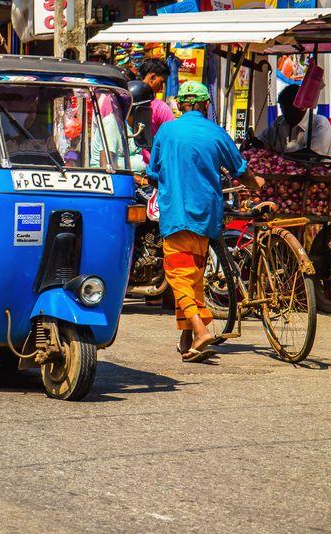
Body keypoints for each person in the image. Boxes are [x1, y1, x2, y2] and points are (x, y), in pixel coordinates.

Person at [146, 81, 264, 363]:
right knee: (193, 275)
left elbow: (152, 173)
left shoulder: (167, 130)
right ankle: (188, 341)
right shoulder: (215, 132)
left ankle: (200, 331)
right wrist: (257, 183)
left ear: (181, 105)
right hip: (206, 215)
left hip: (176, 214)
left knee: (178, 276)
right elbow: (241, 171)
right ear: (204, 105)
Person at [256, 84, 331, 157]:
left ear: (302, 107)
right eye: (283, 109)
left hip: (314, 169)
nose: (285, 114)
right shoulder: (279, 122)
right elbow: (263, 140)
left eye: (289, 109)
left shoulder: (320, 123)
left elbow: (313, 154)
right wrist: (254, 143)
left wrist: (281, 157)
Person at [135, 59, 175, 137]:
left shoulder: (125, 98)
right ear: (152, 77)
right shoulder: (160, 107)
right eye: (162, 82)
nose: (162, 88)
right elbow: (171, 135)